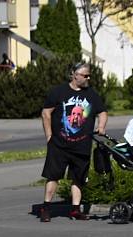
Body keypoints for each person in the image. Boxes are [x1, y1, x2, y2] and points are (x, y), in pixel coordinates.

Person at [39, 61, 108, 222]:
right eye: (85, 75)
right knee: (53, 176)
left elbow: (102, 112)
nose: (87, 78)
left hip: (82, 145)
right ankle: (46, 208)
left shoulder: (91, 94)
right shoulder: (58, 92)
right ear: (74, 75)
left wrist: (102, 126)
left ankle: (75, 210)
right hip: (59, 145)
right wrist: (49, 136)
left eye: (89, 75)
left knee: (78, 178)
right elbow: (46, 113)